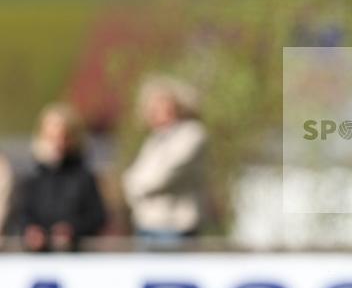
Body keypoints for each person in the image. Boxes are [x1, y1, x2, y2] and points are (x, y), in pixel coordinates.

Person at [122, 75, 208, 249]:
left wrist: (138, 186)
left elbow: (163, 176)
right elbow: (129, 178)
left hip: (176, 227)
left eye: (162, 105)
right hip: (147, 225)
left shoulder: (192, 134)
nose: (156, 112)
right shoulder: (153, 140)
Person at [17, 103, 106, 252]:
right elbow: (22, 214)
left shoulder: (83, 177)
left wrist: (73, 230)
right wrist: (30, 230)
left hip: (75, 258)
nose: (57, 144)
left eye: (63, 138)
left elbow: (97, 217)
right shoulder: (33, 177)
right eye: (51, 137)